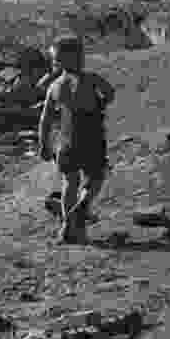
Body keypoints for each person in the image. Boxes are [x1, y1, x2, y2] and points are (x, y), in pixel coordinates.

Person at [38, 35, 115, 244]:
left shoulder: (54, 87)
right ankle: (83, 204)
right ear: (81, 58)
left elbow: (45, 119)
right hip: (91, 138)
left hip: (65, 142)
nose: (54, 63)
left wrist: (43, 144)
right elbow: (110, 93)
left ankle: (67, 228)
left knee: (69, 183)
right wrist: (102, 101)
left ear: (60, 62)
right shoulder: (91, 79)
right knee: (95, 177)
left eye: (55, 60)